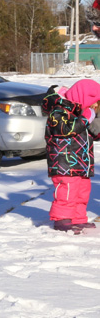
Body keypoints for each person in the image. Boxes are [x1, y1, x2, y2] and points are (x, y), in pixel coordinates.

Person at [41, 80, 100, 234]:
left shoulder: (80, 113)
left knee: (82, 191)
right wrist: (84, 119)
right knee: (67, 191)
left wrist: (94, 121)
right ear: (84, 97)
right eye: (93, 102)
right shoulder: (58, 110)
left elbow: (94, 134)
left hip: (82, 162)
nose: (95, 106)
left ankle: (78, 218)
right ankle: (62, 219)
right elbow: (64, 130)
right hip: (64, 162)